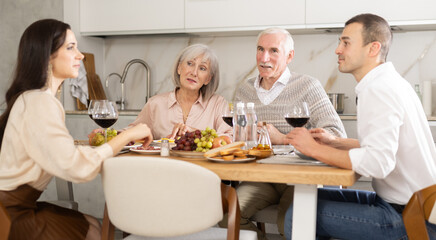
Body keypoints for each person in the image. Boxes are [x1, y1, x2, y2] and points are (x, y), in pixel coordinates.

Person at [284, 13, 436, 240]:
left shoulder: (378, 90)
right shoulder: (390, 83)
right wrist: (336, 142)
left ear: (373, 48)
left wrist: (313, 148)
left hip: (409, 217)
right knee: (308, 202)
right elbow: (390, 147)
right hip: (414, 206)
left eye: (346, 42)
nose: (337, 50)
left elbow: (379, 163)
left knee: (298, 215)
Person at [0, 19, 152, 240]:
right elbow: (75, 167)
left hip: (16, 206)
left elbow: (60, 153)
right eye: (70, 47)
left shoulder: (35, 99)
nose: (80, 55)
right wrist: (128, 135)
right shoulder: (40, 102)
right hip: (10, 216)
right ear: (47, 55)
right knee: (93, 230)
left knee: (91, 222)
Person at [227, 27, 346, 239]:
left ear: (289, 56)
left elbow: (335, 134)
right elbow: (238, 133)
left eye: (274, 51)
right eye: (260, 49)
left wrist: (281, 138)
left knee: (290, 224)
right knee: (230, 215)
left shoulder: (308, 86)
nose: (264, 58)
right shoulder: (245, 89)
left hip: (299, 177)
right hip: (260, 177)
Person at [127, 43, 232, 139]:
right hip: (164, 160)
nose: (194, 73)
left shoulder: (218, 104)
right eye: (190, 63)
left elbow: (229, 137)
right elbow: (130, 134)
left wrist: (196, 133)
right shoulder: (155, 104)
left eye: (202, 68)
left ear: (208, 79)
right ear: (179, 68)